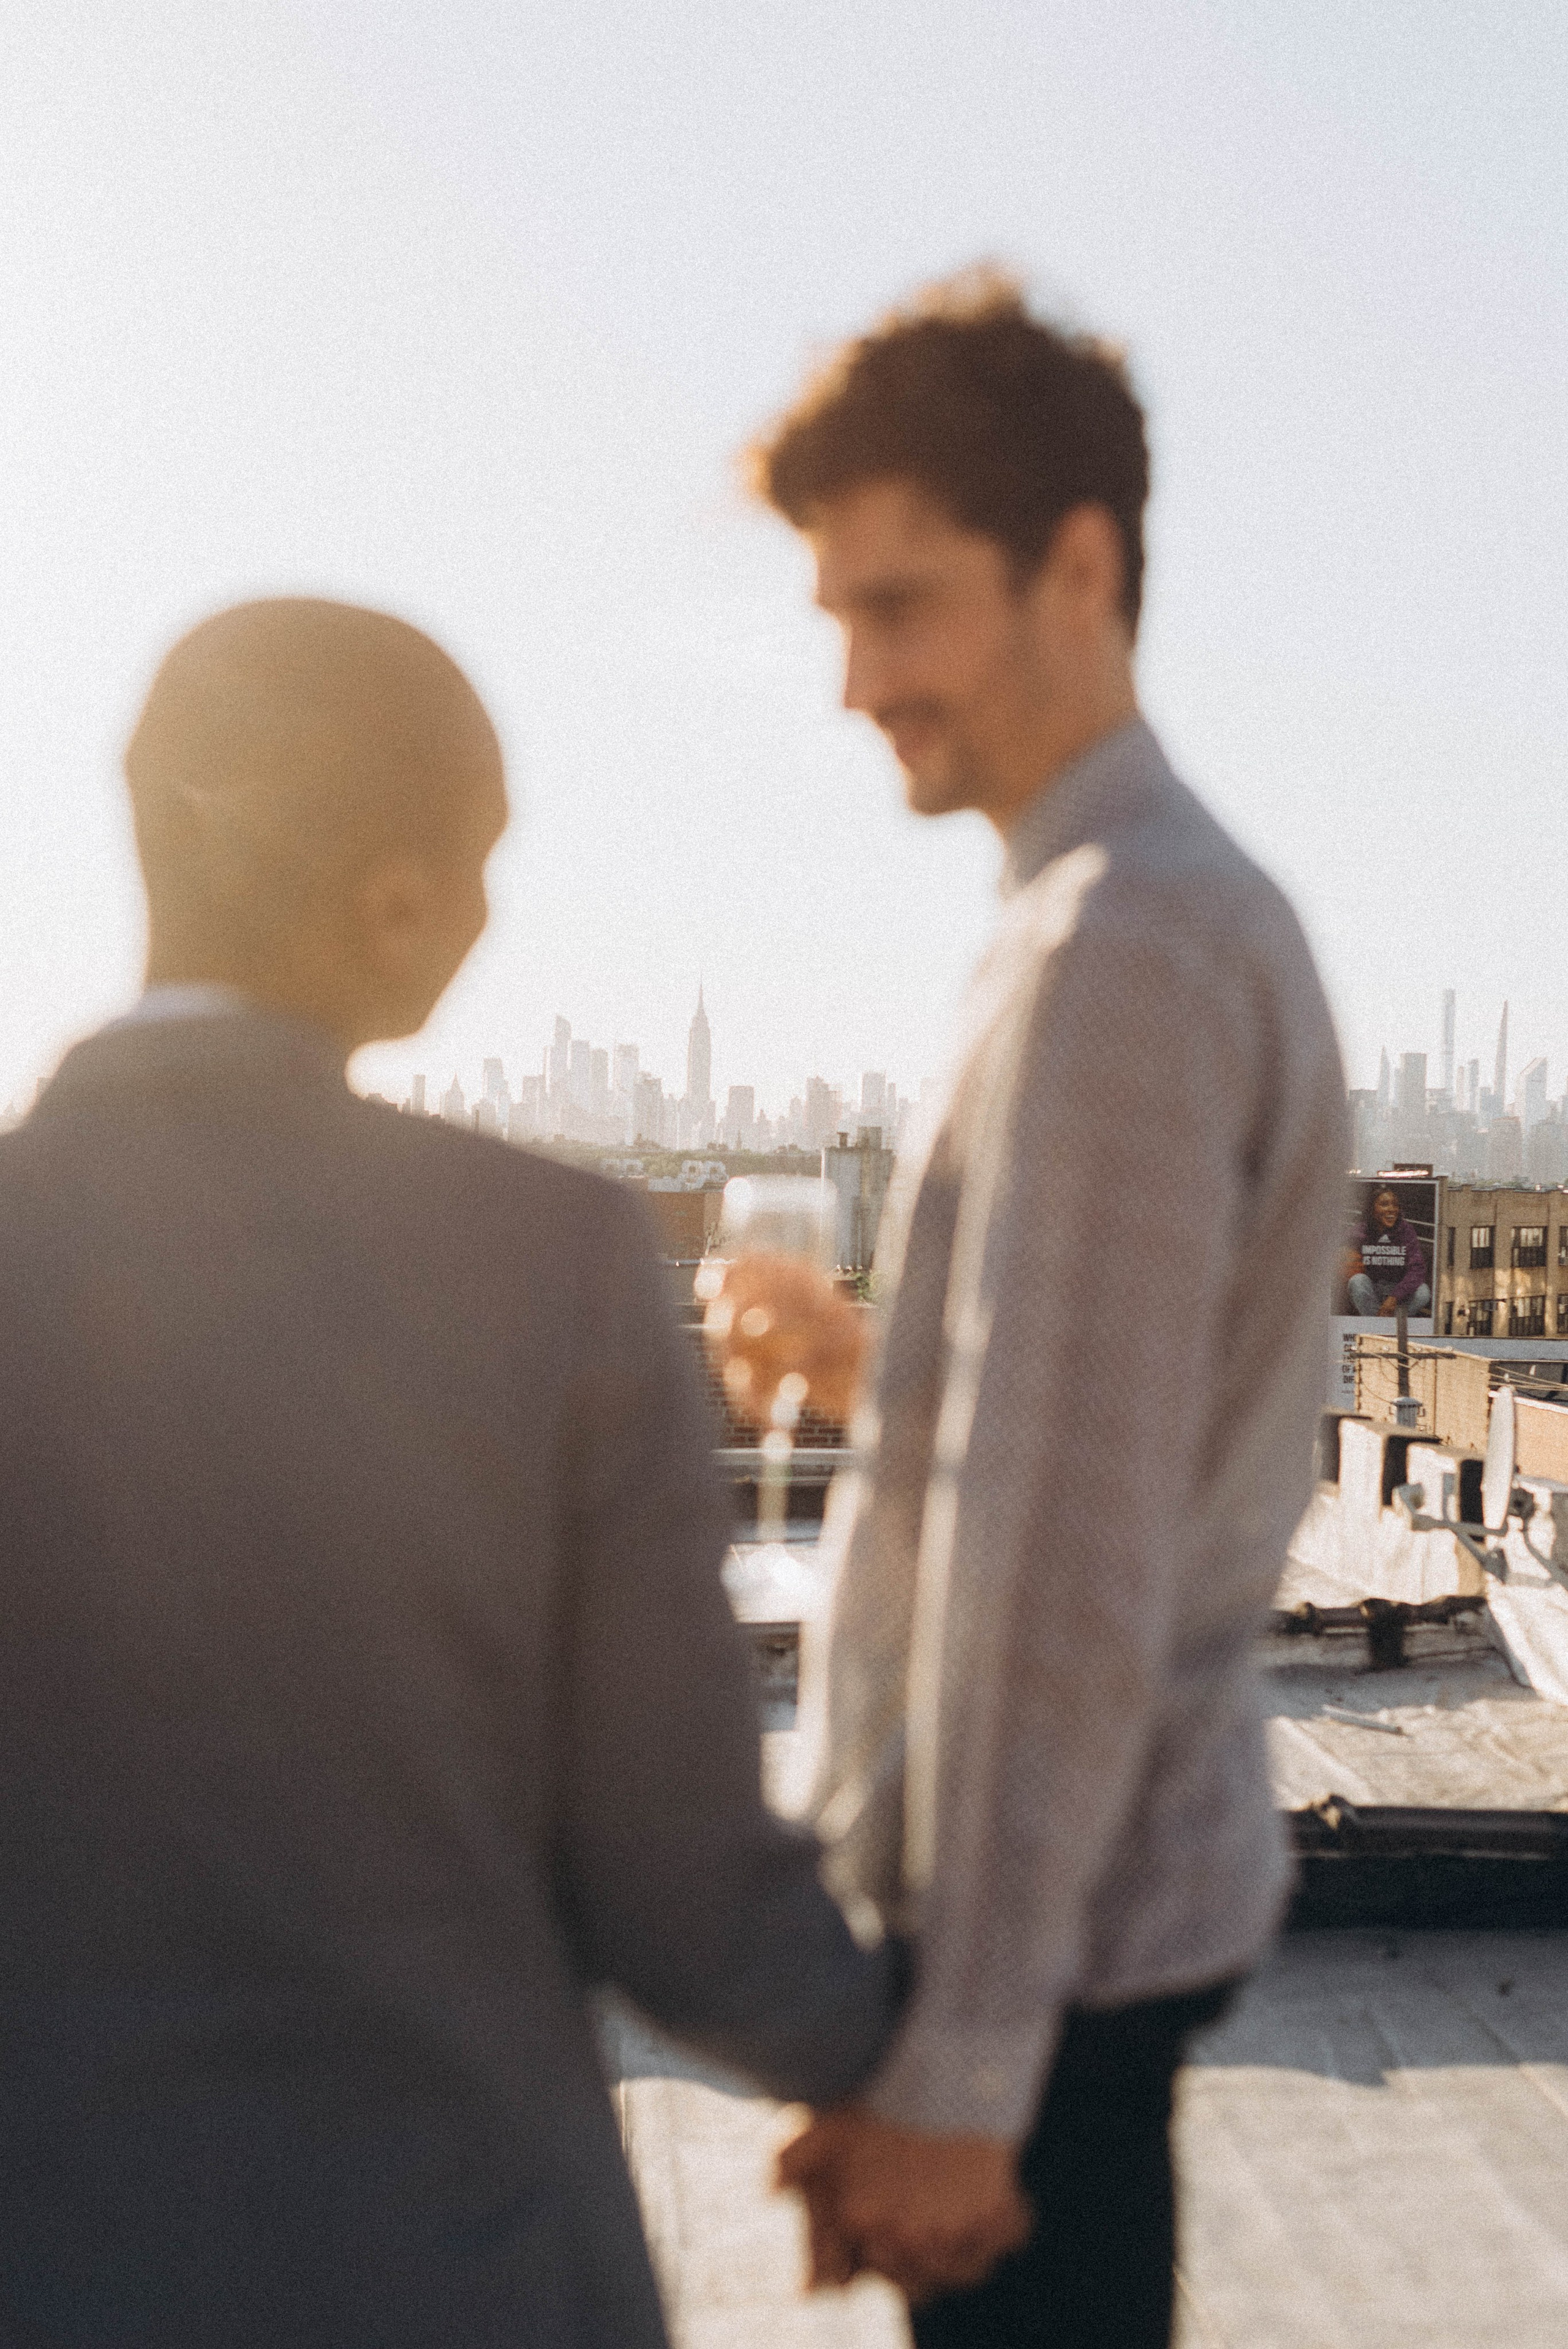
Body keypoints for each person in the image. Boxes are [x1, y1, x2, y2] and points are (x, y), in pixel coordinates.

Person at [0, 598, 900, 2348]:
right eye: (482, 863)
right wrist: (937, 2073)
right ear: (394, 888)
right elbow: (682, 1882)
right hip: (451, 2269)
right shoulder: (544, 1268)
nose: (489, 916)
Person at [711, 274, 1349, 2347]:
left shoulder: (1122, 958)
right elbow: (1088, 1440)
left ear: (1079, 567)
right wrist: (884, 1377)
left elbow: (1069, 1562)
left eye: (895, 608)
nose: (851, 681)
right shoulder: (1125, 917)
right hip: (1084, 1941)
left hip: (1051, 1972)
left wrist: (965, 2069)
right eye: (836, 618)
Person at [1344, 1184, 1431, 1317]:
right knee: (1357, 1281)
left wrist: (1394, 1297)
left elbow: (1418, 1269)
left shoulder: (1406, 1231)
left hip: (1399, 1292)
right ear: (1372, 1209)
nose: (1392, 1209)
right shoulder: (1359, 1232)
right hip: (1373, 1288)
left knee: (1423, 1292)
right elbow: (1342, 1257)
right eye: (1385, 1204)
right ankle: (1382, 1323)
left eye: (1395, 1205)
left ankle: (1386, 1323)